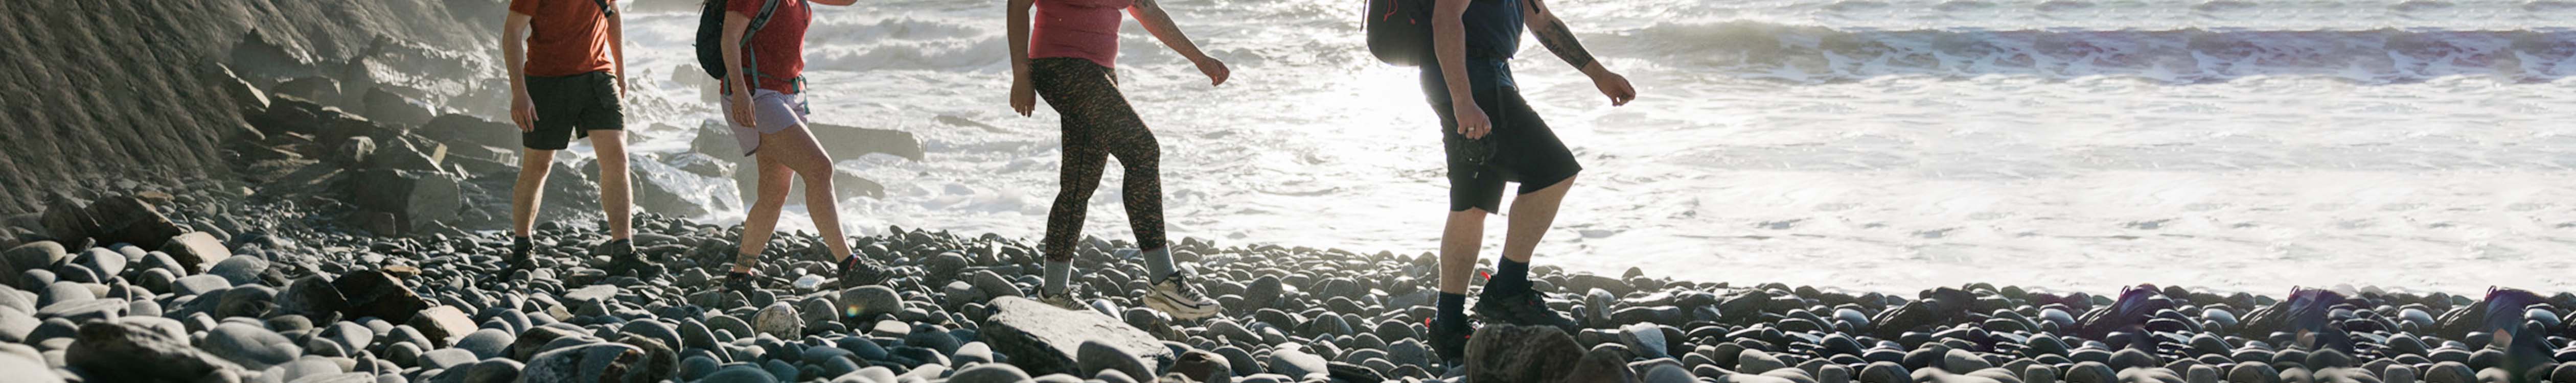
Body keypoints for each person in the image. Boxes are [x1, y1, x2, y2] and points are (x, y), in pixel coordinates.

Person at [1418, 0, 1637, 362]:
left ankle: (1449, 325)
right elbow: (1446, 18)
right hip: (1473, 81)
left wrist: (1599, 74)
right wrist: (1463, 100)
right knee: (1554, 170)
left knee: (1472, 203)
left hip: (1481, 77)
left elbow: (1542, 21)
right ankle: (1508, 288)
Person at [1005, 0, 1230, 319]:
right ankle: (1164, 281)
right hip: (1060, 65)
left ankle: (1053, 292)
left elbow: (1146, 9)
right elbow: (1017, 5)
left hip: (1100, 71)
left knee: (1079, 182)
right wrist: (1021, 75)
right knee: (1143, 151)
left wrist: (1199, 59)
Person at [714, 0, 888, 291]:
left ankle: (739, 276)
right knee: (819, 168)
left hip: (790, 95)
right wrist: (741, 92)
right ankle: (848, 265)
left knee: (774, 192)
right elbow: (730, 36)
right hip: (756, 94)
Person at [500, 0, 652, 276]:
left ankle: (623, 249)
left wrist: (620, 69)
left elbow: (613, 13)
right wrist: (519, 93)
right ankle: (522, 249)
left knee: (617, 160)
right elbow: (512, 31)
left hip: (598, 76)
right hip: (546, 80)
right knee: (538, 166)